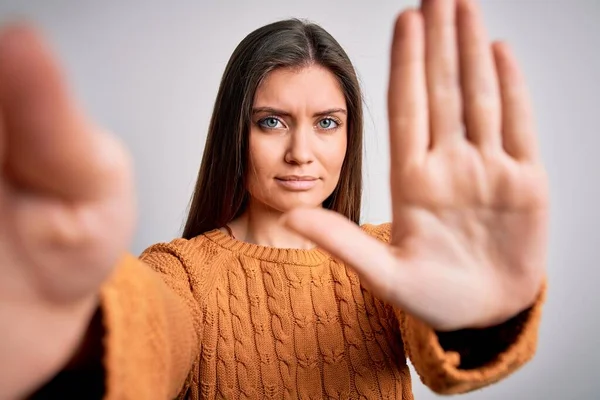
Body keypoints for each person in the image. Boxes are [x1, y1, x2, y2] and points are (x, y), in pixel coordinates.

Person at [0, 0, 549, 399]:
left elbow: (445, 365)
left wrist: (481, 319)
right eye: (271, 122)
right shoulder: (185, 274)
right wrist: (78, 330)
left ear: (349, 136)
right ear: (235, 133)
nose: (300, 152)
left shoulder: (395, 257)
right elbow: (148, 335)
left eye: (327, 123)